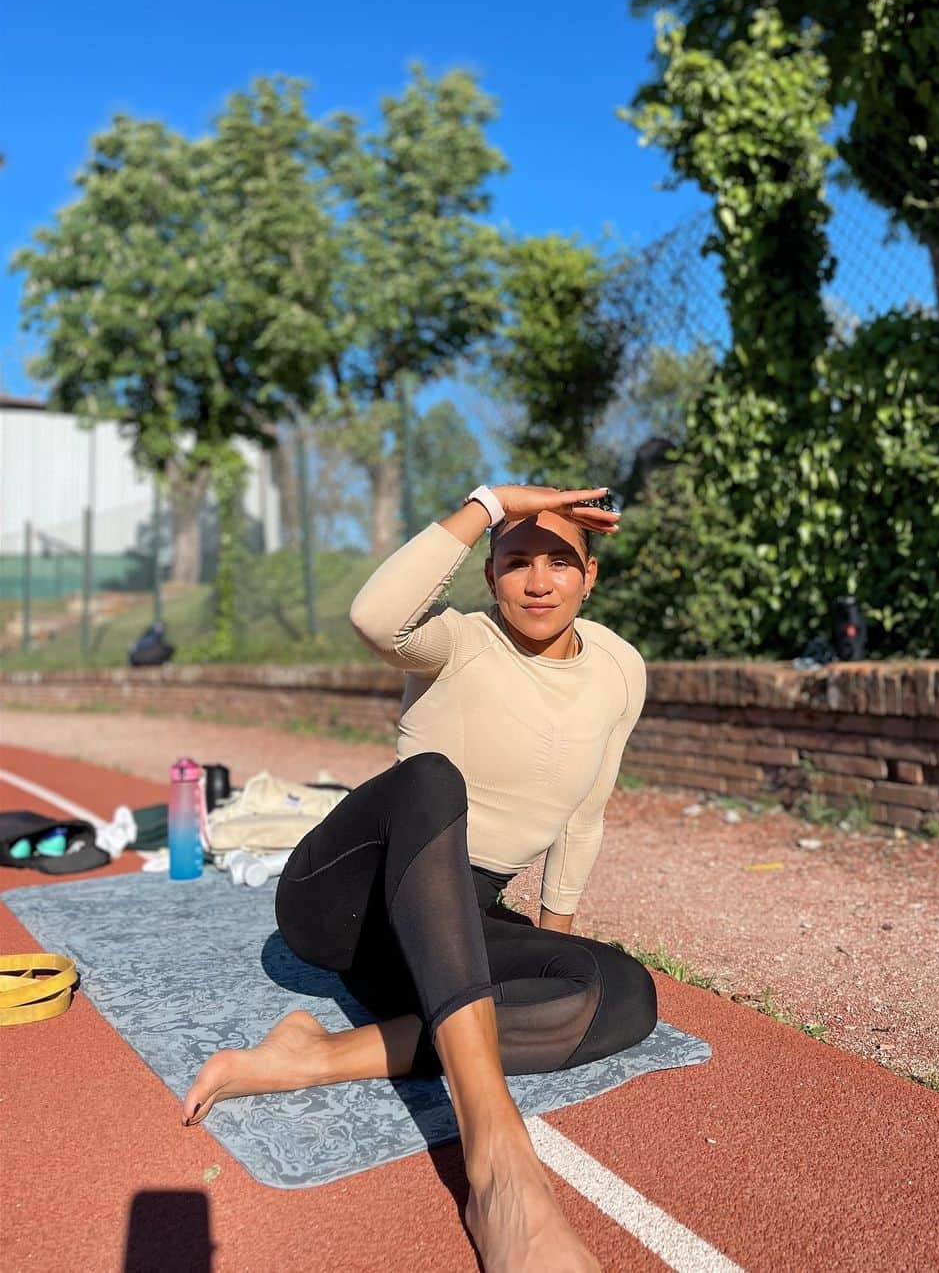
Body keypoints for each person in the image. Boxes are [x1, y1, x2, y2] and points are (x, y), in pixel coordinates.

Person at [183, 483, 655, 1272]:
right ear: (489, 574)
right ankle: (502, 1170)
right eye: (515, 562)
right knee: (435, 777)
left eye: (559, 562)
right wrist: (490, 501)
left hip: (452, 923)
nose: (538, 582)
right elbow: (376, 615)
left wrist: (552, 956)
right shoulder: (456, 642)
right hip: (353, 900)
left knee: (623, 992)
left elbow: (586, 814)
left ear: (592, 575)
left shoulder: (620, 668)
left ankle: (315, 1052)